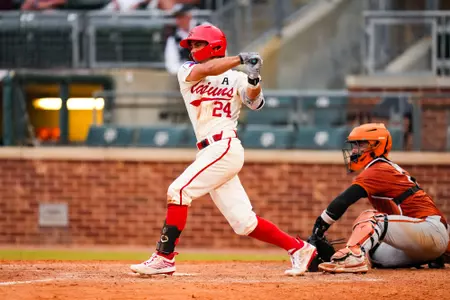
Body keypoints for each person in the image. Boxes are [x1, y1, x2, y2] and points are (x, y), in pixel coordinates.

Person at [130, 24, 317, 277]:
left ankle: (164, 258)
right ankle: (299, 248)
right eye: (192, 45)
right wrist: (241, 59)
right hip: (209, 151)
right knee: (244, 223)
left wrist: (253, 78)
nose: (193, 49)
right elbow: (207, 69)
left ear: (215, 46)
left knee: (178, 190)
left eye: (198, 44)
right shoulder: (188, 71)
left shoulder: (237, 77)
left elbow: (255, 101)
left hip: (224, 146)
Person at [309, 123, 449, 273]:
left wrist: (320, 226)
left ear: (377, 146)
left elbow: (344, 200)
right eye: (354, 145)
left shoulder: (379, 168)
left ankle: (353, 255)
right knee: (374, 252)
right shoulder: (383, 168)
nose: (355, 150)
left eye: (360, 144)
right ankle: (435, 256)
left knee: (371, 218)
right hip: (425, 240)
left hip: (430, 229)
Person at [164, 4, 201, 75]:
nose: (178, 21)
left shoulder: (205, 29)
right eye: (177, 18)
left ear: (189, 16)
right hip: (186, 76)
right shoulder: (173, 39)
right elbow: (172, 65)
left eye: (181, 17)